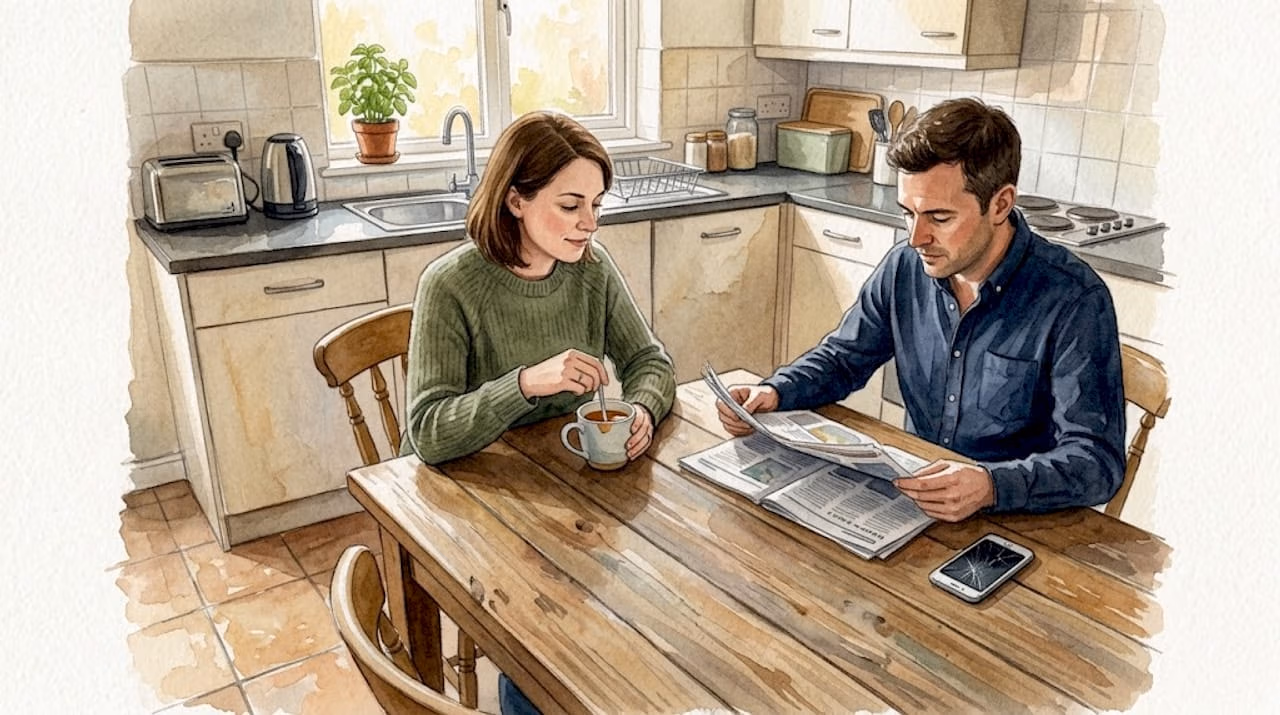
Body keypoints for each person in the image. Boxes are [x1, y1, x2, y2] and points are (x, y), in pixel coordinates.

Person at [717, 97, 1126, 522]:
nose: (916, 238)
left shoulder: (1074, 298)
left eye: (940, 217)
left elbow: (1097, 462)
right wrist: (776, 391)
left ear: (1001, 204)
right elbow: (843, 359)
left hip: (1022, 523)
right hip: (918, 503)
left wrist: (990, 486)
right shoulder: (905, 267)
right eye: (908, 214)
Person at [401, 111, 676, 714]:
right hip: (473, 506)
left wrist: (642, 412)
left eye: (597, 204)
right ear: (515, 200)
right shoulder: (450, 285)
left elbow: (652, 363)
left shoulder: (591, 270)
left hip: (567, 497)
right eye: (571, 204)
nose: (589, 224)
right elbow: (426, 432)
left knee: (648, 615)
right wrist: (524, 384)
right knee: (546, 650)